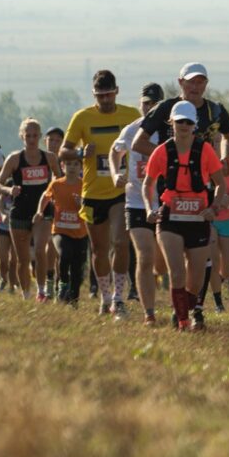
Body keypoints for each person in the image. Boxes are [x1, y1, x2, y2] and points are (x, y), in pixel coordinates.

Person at [142, 101, 229, 332]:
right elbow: (148, 184)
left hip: (199, 217)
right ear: (171, 123)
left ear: (195, 125)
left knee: (196, 278)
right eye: (179, 121)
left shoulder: (205, 150)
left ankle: (183, 307)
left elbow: (220, 184)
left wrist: (214, 207)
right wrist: (149, 208)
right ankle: (182, 321)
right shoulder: (162, 151)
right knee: (177, 271)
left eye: (188, 122)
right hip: (170, 216)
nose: (184, 125)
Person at [61, 70, 140, 317]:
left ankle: (119, 298)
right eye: (100, 96)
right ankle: (105, 298)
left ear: (117, 91)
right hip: (93, 193)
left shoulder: (131, 115)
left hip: (120, 190)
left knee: (120, 242)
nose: (105, 100)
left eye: (109, 95)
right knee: (99, 249)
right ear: (94, 95)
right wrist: (81, 154)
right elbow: (63, 151)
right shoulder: (82, 118)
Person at [110, 82, 168, 325]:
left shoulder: (170, 131)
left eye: (154, 104)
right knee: (144, 255)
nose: (149, 108)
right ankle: (149, 314)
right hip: (135, 200)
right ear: (139, 104)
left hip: (164, 200)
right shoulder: (131, 130)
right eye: (145, 103)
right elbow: (115, 151)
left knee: (161, 265)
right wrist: (115, 174)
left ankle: (159, 291)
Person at [0, 118, 60, 300]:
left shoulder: (49, 157)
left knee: (41, 251)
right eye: (28, 136)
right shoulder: (15, 159)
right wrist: (10, 189)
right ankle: (26, 294)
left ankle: (41, 292)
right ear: (22, 137)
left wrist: (56, 193)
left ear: (40, 136)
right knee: (22, 259)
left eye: (34, 135)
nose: (31, 139)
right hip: (20, 212)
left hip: (42, 211)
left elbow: (60, 178)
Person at [37, 154, 88, 303]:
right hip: (60, 230)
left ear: (81, 167)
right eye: (69, 164)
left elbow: (91, 205)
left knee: (77, 267)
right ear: (62, 167)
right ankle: (63, 283)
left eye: (76, 164)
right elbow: (45, 196)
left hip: (80, 232)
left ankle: (74, 300)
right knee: (65, 255)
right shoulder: (56, 184)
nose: (72, 167)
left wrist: (82, 204)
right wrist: (40, 211)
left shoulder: (84, 185)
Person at [206, 154, 229, 313]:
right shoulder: (207, 162)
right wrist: (216, 202)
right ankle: (218, 302)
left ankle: (213, 283)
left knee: (227, 270)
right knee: (214, 262)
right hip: (211, 219)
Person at [43, 127, 65, 295]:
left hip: (63, 205)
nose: (54, 143)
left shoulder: (66, 160)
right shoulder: (40, 159)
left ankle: (60, 279)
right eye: (51, 140)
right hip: (46, 205)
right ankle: (49, 279)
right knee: (49, 244)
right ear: (45, 141)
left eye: (58, 140)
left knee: (61, 246)